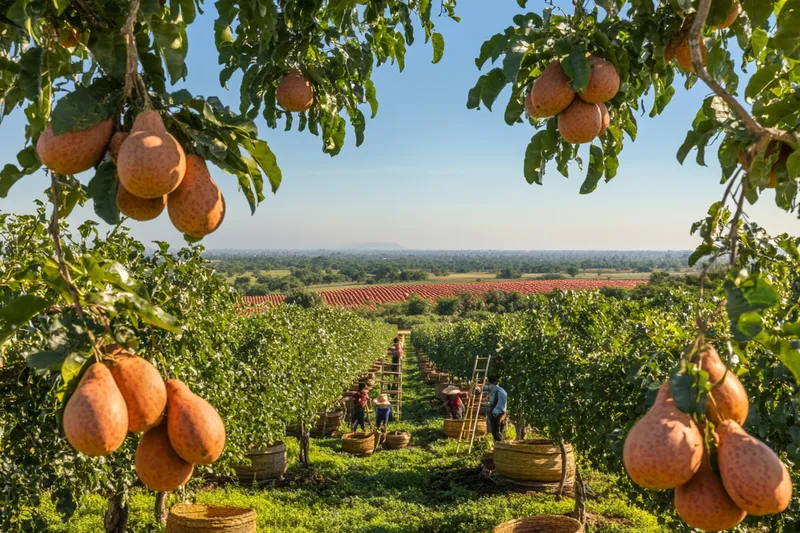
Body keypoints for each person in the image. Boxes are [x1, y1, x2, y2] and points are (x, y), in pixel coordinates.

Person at [486, 376, 507, 442]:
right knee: (498, 429)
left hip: (496, 412)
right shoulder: (502, 390)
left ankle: (502, 444)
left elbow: (486, 388)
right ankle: (500, 443)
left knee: (495, 431)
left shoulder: (494, 388)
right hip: (502, 412)